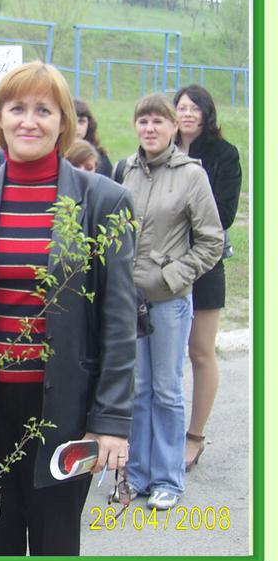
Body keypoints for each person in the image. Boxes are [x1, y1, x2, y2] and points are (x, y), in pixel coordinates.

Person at [0, 61, 137, 556]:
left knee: (55, 545)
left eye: (43, 110)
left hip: (65, 409)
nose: (29, 120)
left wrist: (110, 420)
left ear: (63, 122)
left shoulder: (103, 200)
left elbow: (118, 318)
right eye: (16, 108)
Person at [118, 93, 223, 510]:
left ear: (173, 127)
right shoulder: (126, 170)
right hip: (130, 301)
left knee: (166, 390)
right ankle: (138, 472)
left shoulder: (191, 175)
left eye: (158, 121)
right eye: (143, 121)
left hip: (168, 302)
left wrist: (169, 277)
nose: (150, 128)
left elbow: (212, 240)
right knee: (138, 388)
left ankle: (168, 478)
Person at [172, 85, 242, 472]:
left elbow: (226, 214)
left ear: (206, 113)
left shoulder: (223, 155)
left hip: (205, 262)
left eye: (194, 108)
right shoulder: (162, 148)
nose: (186, 114)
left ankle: (195, 436)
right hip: (161, 263)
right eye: (180, 107)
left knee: (200, 351)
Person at [74, 99, 112, 177]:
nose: (76, 127)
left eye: (81, 122)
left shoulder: (101, 159)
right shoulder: (53, 155)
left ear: (89, 124)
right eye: (72, 121)